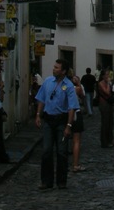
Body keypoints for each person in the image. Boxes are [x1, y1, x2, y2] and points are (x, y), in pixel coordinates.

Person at [35, 58, 79, 190]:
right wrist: (38, 115)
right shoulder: (48, 82)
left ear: (63, 71)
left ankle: (61, 181)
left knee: (61, 152)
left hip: (61, 121)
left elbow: (72, 107)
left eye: (57, 67)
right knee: (46, 151)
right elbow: (42, 99)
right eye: (54, 67)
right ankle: (46, 181)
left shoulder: (69, 86)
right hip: (48, 120)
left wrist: (69, 126)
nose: (54, 69)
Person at [71, 75, 86, 172]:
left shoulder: (64, 88)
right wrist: (79, 83)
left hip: (65, 114)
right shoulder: (77, 89)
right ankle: (75, 165)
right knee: (77, 140)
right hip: (76, 113)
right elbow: (83, 97)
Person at [97, 68, 114, 148]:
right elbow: (107, 92)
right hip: (104, 104)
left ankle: (110, 140)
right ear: (103, 76)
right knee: (105, 123)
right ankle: (104, 142)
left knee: (110, 123)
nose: (108, 76)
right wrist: (108, 84)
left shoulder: (106, 83)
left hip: (109, 104)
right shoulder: (101, 83)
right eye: (107, 74)